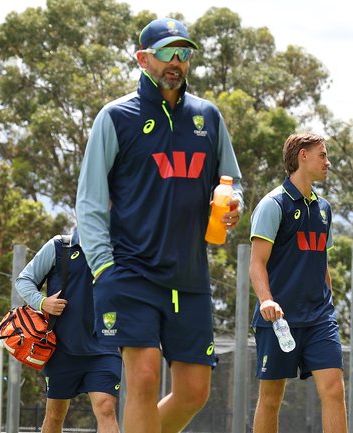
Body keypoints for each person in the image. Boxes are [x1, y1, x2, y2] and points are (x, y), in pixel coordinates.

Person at [75, 17, 243, 433]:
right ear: (143, 58)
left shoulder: (209, 117)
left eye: (184, 53)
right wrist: (103, 268)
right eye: (168, 52)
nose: (177, 62)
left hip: (190, 275)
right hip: (131, 272)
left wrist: (234, 205)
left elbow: (231, 181)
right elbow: (90, 201)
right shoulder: (115, 118)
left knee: (194, 392)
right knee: (145, 378)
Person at [249, 132, 347, 433]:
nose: (328, 162)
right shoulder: (273, 205)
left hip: (319, 318)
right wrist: (267, 300)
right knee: (271, 397)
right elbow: (257, 264)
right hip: (279, 320)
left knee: (334, 389)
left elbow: (322, 265)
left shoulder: (324, 209)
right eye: (323, 155)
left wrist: (327, 302)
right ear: (302, 156)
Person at [15, 228, 121, 433]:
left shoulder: (120, 248)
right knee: (55, 416)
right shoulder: (59, 246)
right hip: (60, 349)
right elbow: (24, 280)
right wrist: (43, 302)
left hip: (104, 347)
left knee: (106, 409)